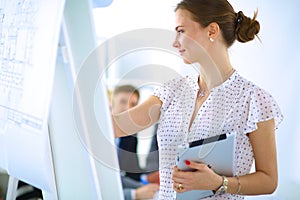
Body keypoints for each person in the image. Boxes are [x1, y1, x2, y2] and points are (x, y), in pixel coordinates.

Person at [112, 0, 283, 199]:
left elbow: (269, 180)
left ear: (212, 31)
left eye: (181, 31)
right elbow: (118, 126)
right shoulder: (171, 91)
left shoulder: (254, 100)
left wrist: (220, 183)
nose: (174, 42)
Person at [111, 85, 159, 200]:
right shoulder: (97, 134)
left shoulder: (129, 136)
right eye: (122, 101)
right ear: (110, 102)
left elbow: (129, 171)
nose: (127, 108)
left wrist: (145, 180)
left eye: (133, 104)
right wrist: (133, 194)